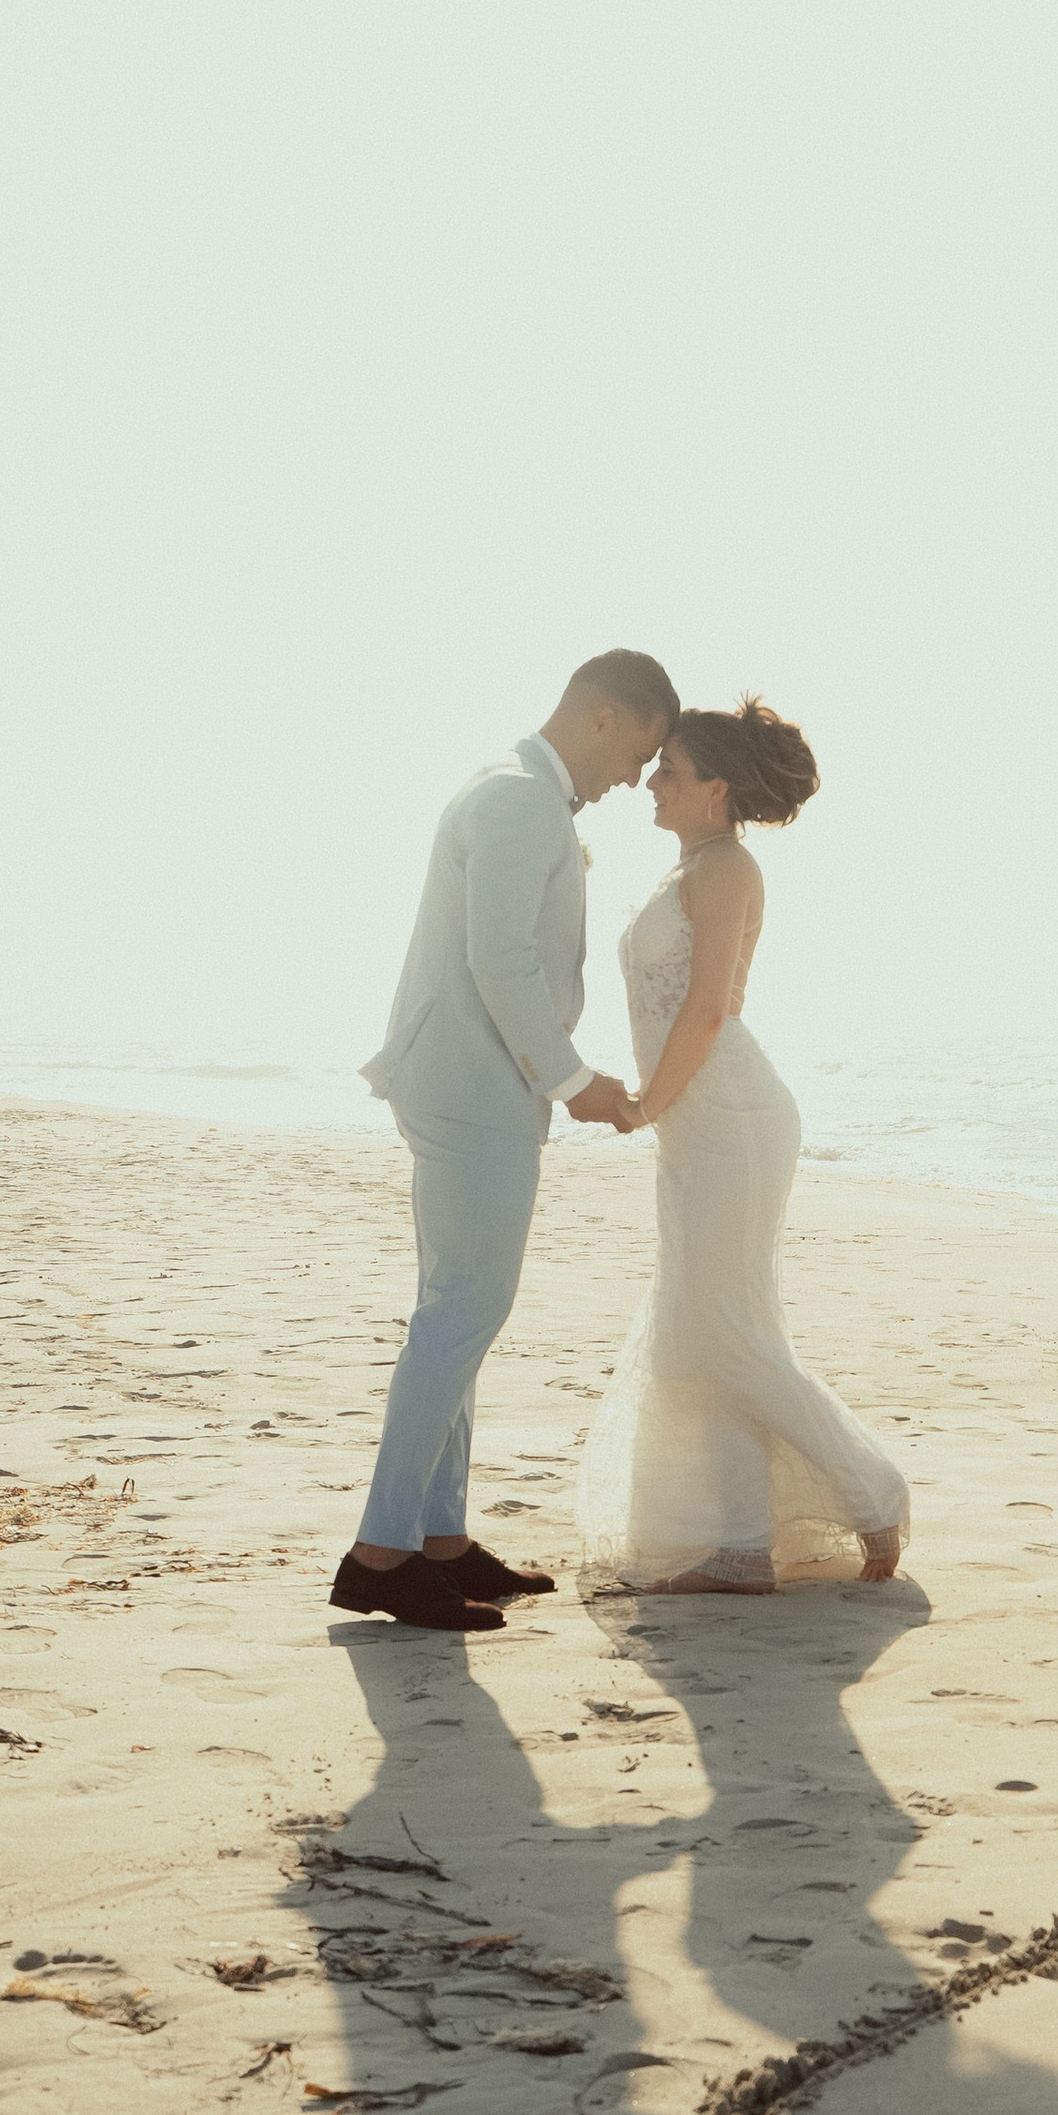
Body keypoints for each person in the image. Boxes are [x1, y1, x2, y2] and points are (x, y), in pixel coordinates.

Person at [332, 649, 678, 1635]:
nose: (629, 780)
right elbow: (500, 959)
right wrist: (572, 1081)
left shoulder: (512, 787)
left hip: (464, 1085)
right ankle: (380, 1555)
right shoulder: (523, 798)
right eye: (637, 751)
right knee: (460, 1316)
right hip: (473, 1089)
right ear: (605, 717)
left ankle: (440, 1541)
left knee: (459, 1315)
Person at [575, 697, 909, 1596]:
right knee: (696, 1334)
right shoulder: (689, 866)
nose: (652, 781)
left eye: (671, 771)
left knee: (723, 1335)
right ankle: (732, 1546)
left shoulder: (726, 869)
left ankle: (874, 1494)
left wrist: (648, 1103)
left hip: (732, 1121)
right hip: (699, 1124)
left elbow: (710, 1007)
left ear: (716, 788)